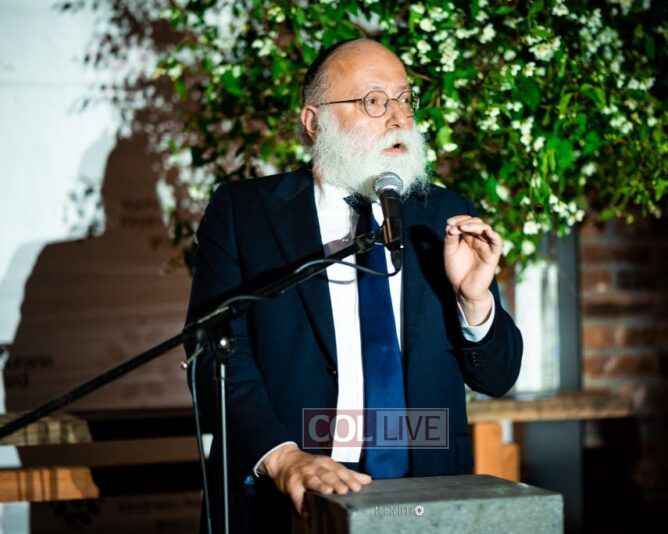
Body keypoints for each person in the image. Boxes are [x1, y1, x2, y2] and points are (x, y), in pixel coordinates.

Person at [185, 38, 523, 533]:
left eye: (405, 99)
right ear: (313, 121)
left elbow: (499, 377)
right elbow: (212, 355)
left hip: (427, 493)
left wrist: (475, 303)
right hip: (291, 494)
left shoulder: (444, 215)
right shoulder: (246, 213)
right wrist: (283, 458)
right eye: (373, 101)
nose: (398, 117)